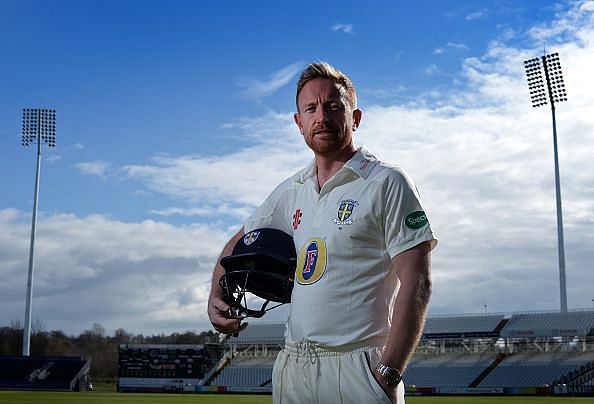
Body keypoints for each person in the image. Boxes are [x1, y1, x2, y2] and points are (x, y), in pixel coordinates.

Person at [208, 62, 437, 403]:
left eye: (333, 106)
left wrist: (388, 372)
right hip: (294, 368)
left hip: (358, 369)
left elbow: (418, 283)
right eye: (311, 109)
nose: (322, 117)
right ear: (298, 123)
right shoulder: (292, 190)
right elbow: (236, 246)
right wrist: (216, 297)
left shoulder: (387, 181)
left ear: (355, 118)